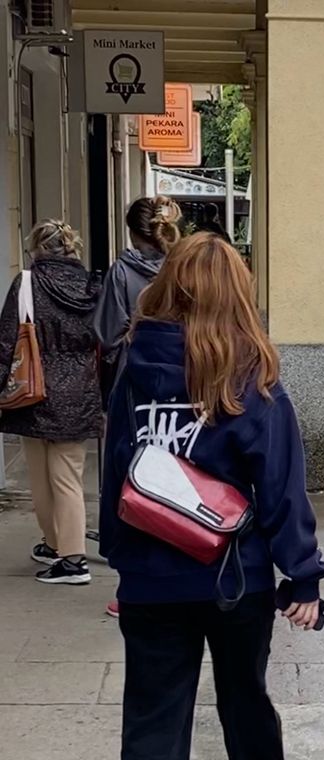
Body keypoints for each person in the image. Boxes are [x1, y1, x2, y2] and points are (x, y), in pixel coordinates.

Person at [99, 232, 324, 760]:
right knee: (244, 699)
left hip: (155, 582)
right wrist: (305, 574)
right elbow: (281, 482)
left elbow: (118, 472)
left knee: (153, 723)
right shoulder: (251, 370)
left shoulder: (135, 365)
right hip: (237, 578)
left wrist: (123, 559)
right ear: (238, 291)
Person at [0, 220, 102, 585]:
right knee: (68, 477)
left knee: (41, 479)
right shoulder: (93, 286)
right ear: (72, 248)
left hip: (35, 391)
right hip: (80, 390)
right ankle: (64, 551)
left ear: (36, 249)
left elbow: (6, 341)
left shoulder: (26, 283)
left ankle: (66, 553)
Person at [94, 194, 181, 617]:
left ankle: (132, 582)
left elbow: (106, 332)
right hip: (187, 378)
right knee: (183, 472)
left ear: (130, 231)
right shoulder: (186, 266)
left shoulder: (121, 271)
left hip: (135, 385)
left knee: (132, 476)